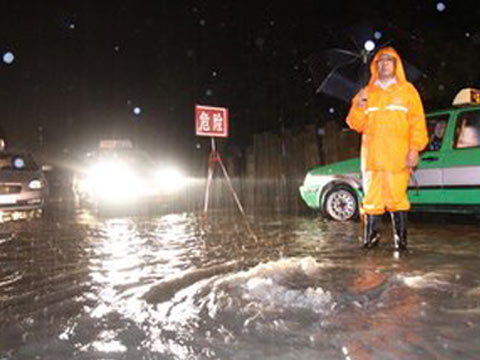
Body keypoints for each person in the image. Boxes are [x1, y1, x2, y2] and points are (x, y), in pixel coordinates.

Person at [346, 47, 428, 252]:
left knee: (398, 201)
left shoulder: (407, 91)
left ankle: (401, 245)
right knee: (371, 202)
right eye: (380, 61)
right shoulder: (366, 92)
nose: (384, 64)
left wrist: (414, 149)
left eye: (388, 60)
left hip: (397, 158)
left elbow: (418, 123)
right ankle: (370, 244)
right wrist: (359, 105)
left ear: (396, 64)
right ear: (375, 66)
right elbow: (354, 124)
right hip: (372, 159)